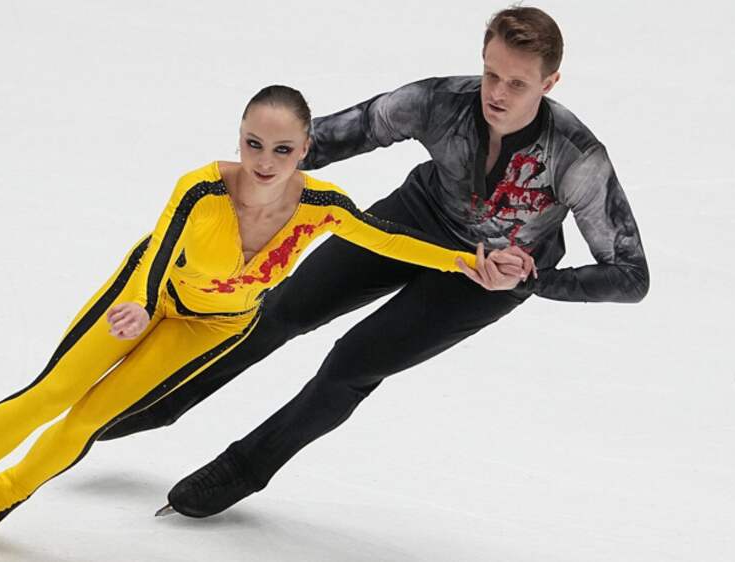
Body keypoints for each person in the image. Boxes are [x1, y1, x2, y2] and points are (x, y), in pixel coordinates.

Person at [0, 85, 524, 557]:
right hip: (146, 299)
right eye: (253, 143)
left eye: (282, 149)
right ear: (238, 138)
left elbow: (387, 237)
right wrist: (138, 305)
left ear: (305, 150)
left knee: (89, 420)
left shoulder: (323, 205)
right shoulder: (202, 188)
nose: (264, 160)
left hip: (213, 326)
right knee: (53, 393)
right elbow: (160, 251)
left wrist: (467, 260)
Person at [96, 6, 650, 518]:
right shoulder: (440, 100)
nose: (497, 93)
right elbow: (337, 135)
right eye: (491, 74)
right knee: (283, 309)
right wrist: (250, 173)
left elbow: (630, 276)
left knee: (351, 363)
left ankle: (242, 468)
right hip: (416, 219)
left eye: (517, 83)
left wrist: (532, 279)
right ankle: (158, 401)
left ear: (550, 84)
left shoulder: (576, 156)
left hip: (489, 276)